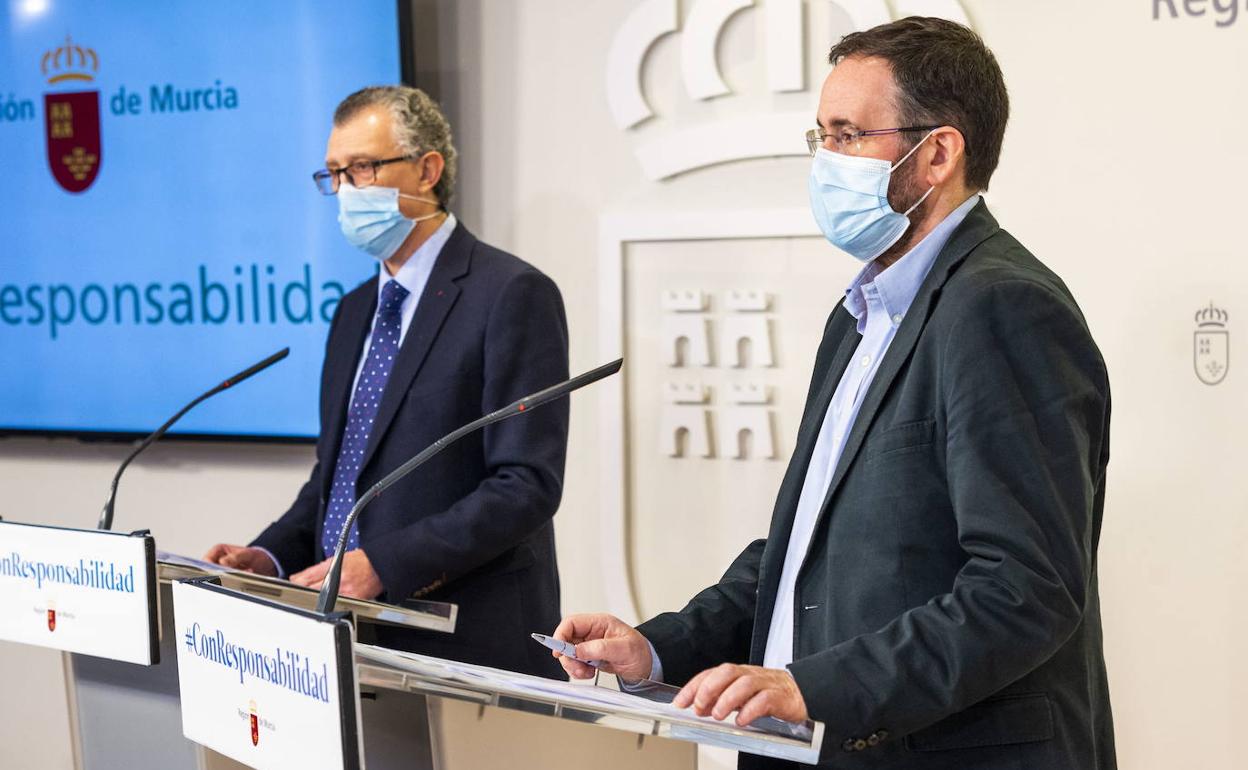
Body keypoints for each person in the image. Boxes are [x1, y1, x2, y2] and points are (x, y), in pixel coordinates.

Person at [552, 17, 1114, 768]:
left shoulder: (1002, 306)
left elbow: (1025, 589)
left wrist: (814, 687)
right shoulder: (859, 317)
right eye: (821, 137)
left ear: (938, 152)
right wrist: (656, 648)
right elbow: (804, 549)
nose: (826, 161)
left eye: (849, 135)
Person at [205, 85, 570, 678]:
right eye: (333, 175)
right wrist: (270, 555)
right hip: (345, 634)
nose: (346, 191)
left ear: (428, 170)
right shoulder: (353, 312)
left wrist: (384, 564)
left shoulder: (510, 294)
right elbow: (341, 476)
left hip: (465, 637)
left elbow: (524, 484)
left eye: (364, 168)